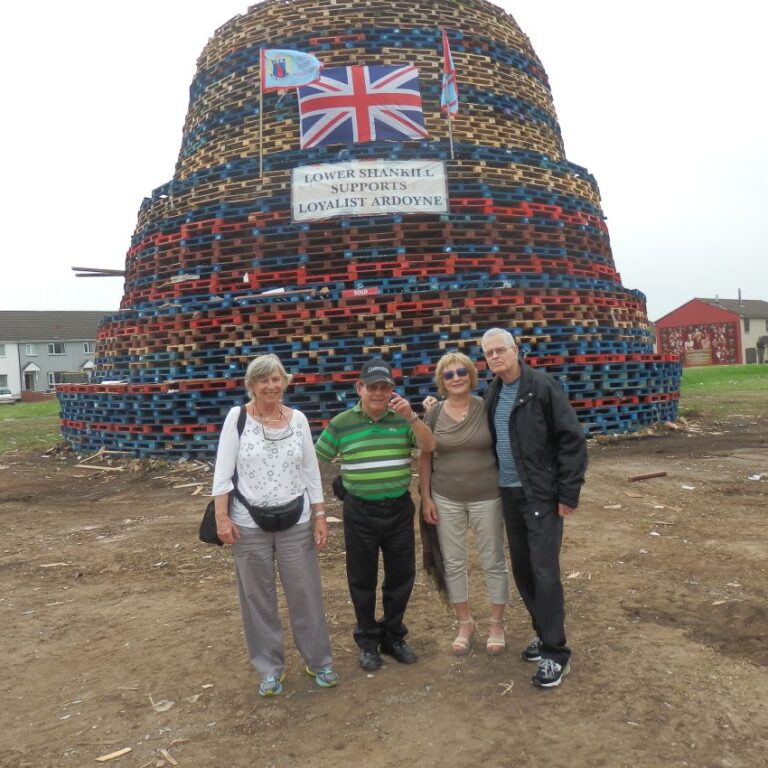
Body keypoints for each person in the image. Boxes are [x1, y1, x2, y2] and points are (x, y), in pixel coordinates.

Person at [212, 354, 339, 697]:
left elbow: (311, 471)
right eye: (262, 380)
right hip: (247, 524)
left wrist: (320, 514)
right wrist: (222, 517)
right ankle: (269, 668)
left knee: (306, 594)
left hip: (296, 520)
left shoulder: (298, 420)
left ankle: (319, 661)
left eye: (276, 379)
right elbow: (222, 473)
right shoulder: (237, 418)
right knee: (257, 599)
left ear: (285, 382)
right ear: (251, 385)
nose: (270, 386)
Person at [481, 328, 588, 688]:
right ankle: (543, 635)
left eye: (500, 350)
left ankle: (556, 654)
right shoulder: (493, 391)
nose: (495, 357)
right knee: (524, 569)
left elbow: (571, 441)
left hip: (540, 495)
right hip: (509, 494)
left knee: (544, 572)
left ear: (516, 350)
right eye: (488, 353)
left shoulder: (542, 387)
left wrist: (567, 493)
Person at [315, 358, 436, 672]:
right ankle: (368, 640)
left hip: (397, 509)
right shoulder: (342, 423)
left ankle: (393, 636)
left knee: (401, 576)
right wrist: (317, 505)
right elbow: (315, 461)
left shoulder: (402, 419)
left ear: (392, 390)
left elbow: (429, 445)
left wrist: (412, 418)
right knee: (362, 578)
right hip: (360, 512)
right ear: (360, 388)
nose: (378, 393)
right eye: (372, 387)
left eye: (385, 387)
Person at [418, 352, 509, 656]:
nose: (456, 378)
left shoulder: (487, 407)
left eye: (461, 372)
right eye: (448, 375)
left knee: (493, 560)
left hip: (488, 496)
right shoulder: (433, 414)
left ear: (471, 376)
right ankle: (465, 623)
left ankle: (497, 624)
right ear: (441, 382)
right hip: (446, 498)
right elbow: (426, 457)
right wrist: (426, 498)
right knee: (454, 563)